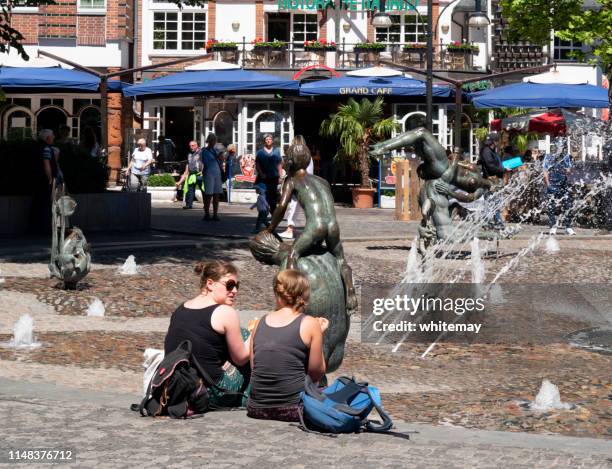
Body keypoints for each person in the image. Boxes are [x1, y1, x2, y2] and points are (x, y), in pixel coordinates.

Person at [164, 260, 251, 408]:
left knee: (236, 334)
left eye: (237, 286)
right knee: (245, 335)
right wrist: (254, 335)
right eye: (229, 285)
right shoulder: (225, 312)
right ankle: (248, 398)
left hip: (179, 387)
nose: (235, 290)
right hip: (211, 391)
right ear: (210, 284)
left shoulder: (181, 308)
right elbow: (241, 359)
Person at [246, 269, 328, 422]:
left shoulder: (259, 322)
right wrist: (320, 335)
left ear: (277, 293)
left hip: (256, 407)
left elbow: (254, 367)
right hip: (294, 408)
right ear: (304, 295)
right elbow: (316, 373)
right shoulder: (310, 323)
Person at [279, 135, 314, 240]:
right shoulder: (308, 156)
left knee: (294, 207)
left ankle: (290, 230)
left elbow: (296, 171)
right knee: (305, 208)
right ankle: (310, 230)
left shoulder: (301, 157)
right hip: (306, 184)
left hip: (300, 184)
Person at [543, 147, 576, 236]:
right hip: (552, 184)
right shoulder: (548, 156)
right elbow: (545, 171)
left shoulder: (566, 157)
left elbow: (569, 171)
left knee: (568, 205)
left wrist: (567, 170)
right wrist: (548, 184)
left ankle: (568, 227)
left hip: (563, 184)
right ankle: (553, 226)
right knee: (551, 206)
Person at [479, 135, 507, 229]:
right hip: (491, 180)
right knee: (491, 200)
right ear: (494, 142)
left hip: (495, 179)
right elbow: (490, 166)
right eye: (497, 141)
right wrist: (503, 169)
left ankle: (495, 221)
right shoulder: (487, 151)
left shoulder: (491, 151)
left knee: (495, 200)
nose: (498, 143)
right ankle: (489, 222)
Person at [256, 134, 282, 215]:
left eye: (270, 139)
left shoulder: (277, 151)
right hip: (263, 178)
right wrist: (261, 173)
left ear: (272, 141)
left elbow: (279, 164)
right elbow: (257, 164)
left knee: (273, 196)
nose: (268, 140)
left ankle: (273, 213)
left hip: (274, 177)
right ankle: (264, 213)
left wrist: (280, 176)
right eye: (266, 139)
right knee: (264, 196)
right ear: (264, 141)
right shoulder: (260, 152)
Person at [175, 140, 204, 209]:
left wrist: (203, 172)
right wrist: (180, 181)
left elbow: (204, 163)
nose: (191, 147)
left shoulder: (201, 153)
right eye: (190, 146)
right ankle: (189, 205)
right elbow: (187, 167)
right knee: (190, 190)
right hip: (191, 175)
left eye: (193, 145)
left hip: (200, 174)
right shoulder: (189, 154)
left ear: (197, 145)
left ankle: (206, 204)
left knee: (203, 190)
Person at [202, 133, 223, 221]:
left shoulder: (216, 150)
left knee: (216, 194)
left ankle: (215, 214)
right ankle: (207, 214)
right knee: (208, 194)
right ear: (209, 141)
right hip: (209, 173)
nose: (214, 142)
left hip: (217, 173)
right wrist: (217, 157)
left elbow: (220, 161)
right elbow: (206, 162)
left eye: (215, 140)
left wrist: (221, 158)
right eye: (213, 140)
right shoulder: (205, 151)